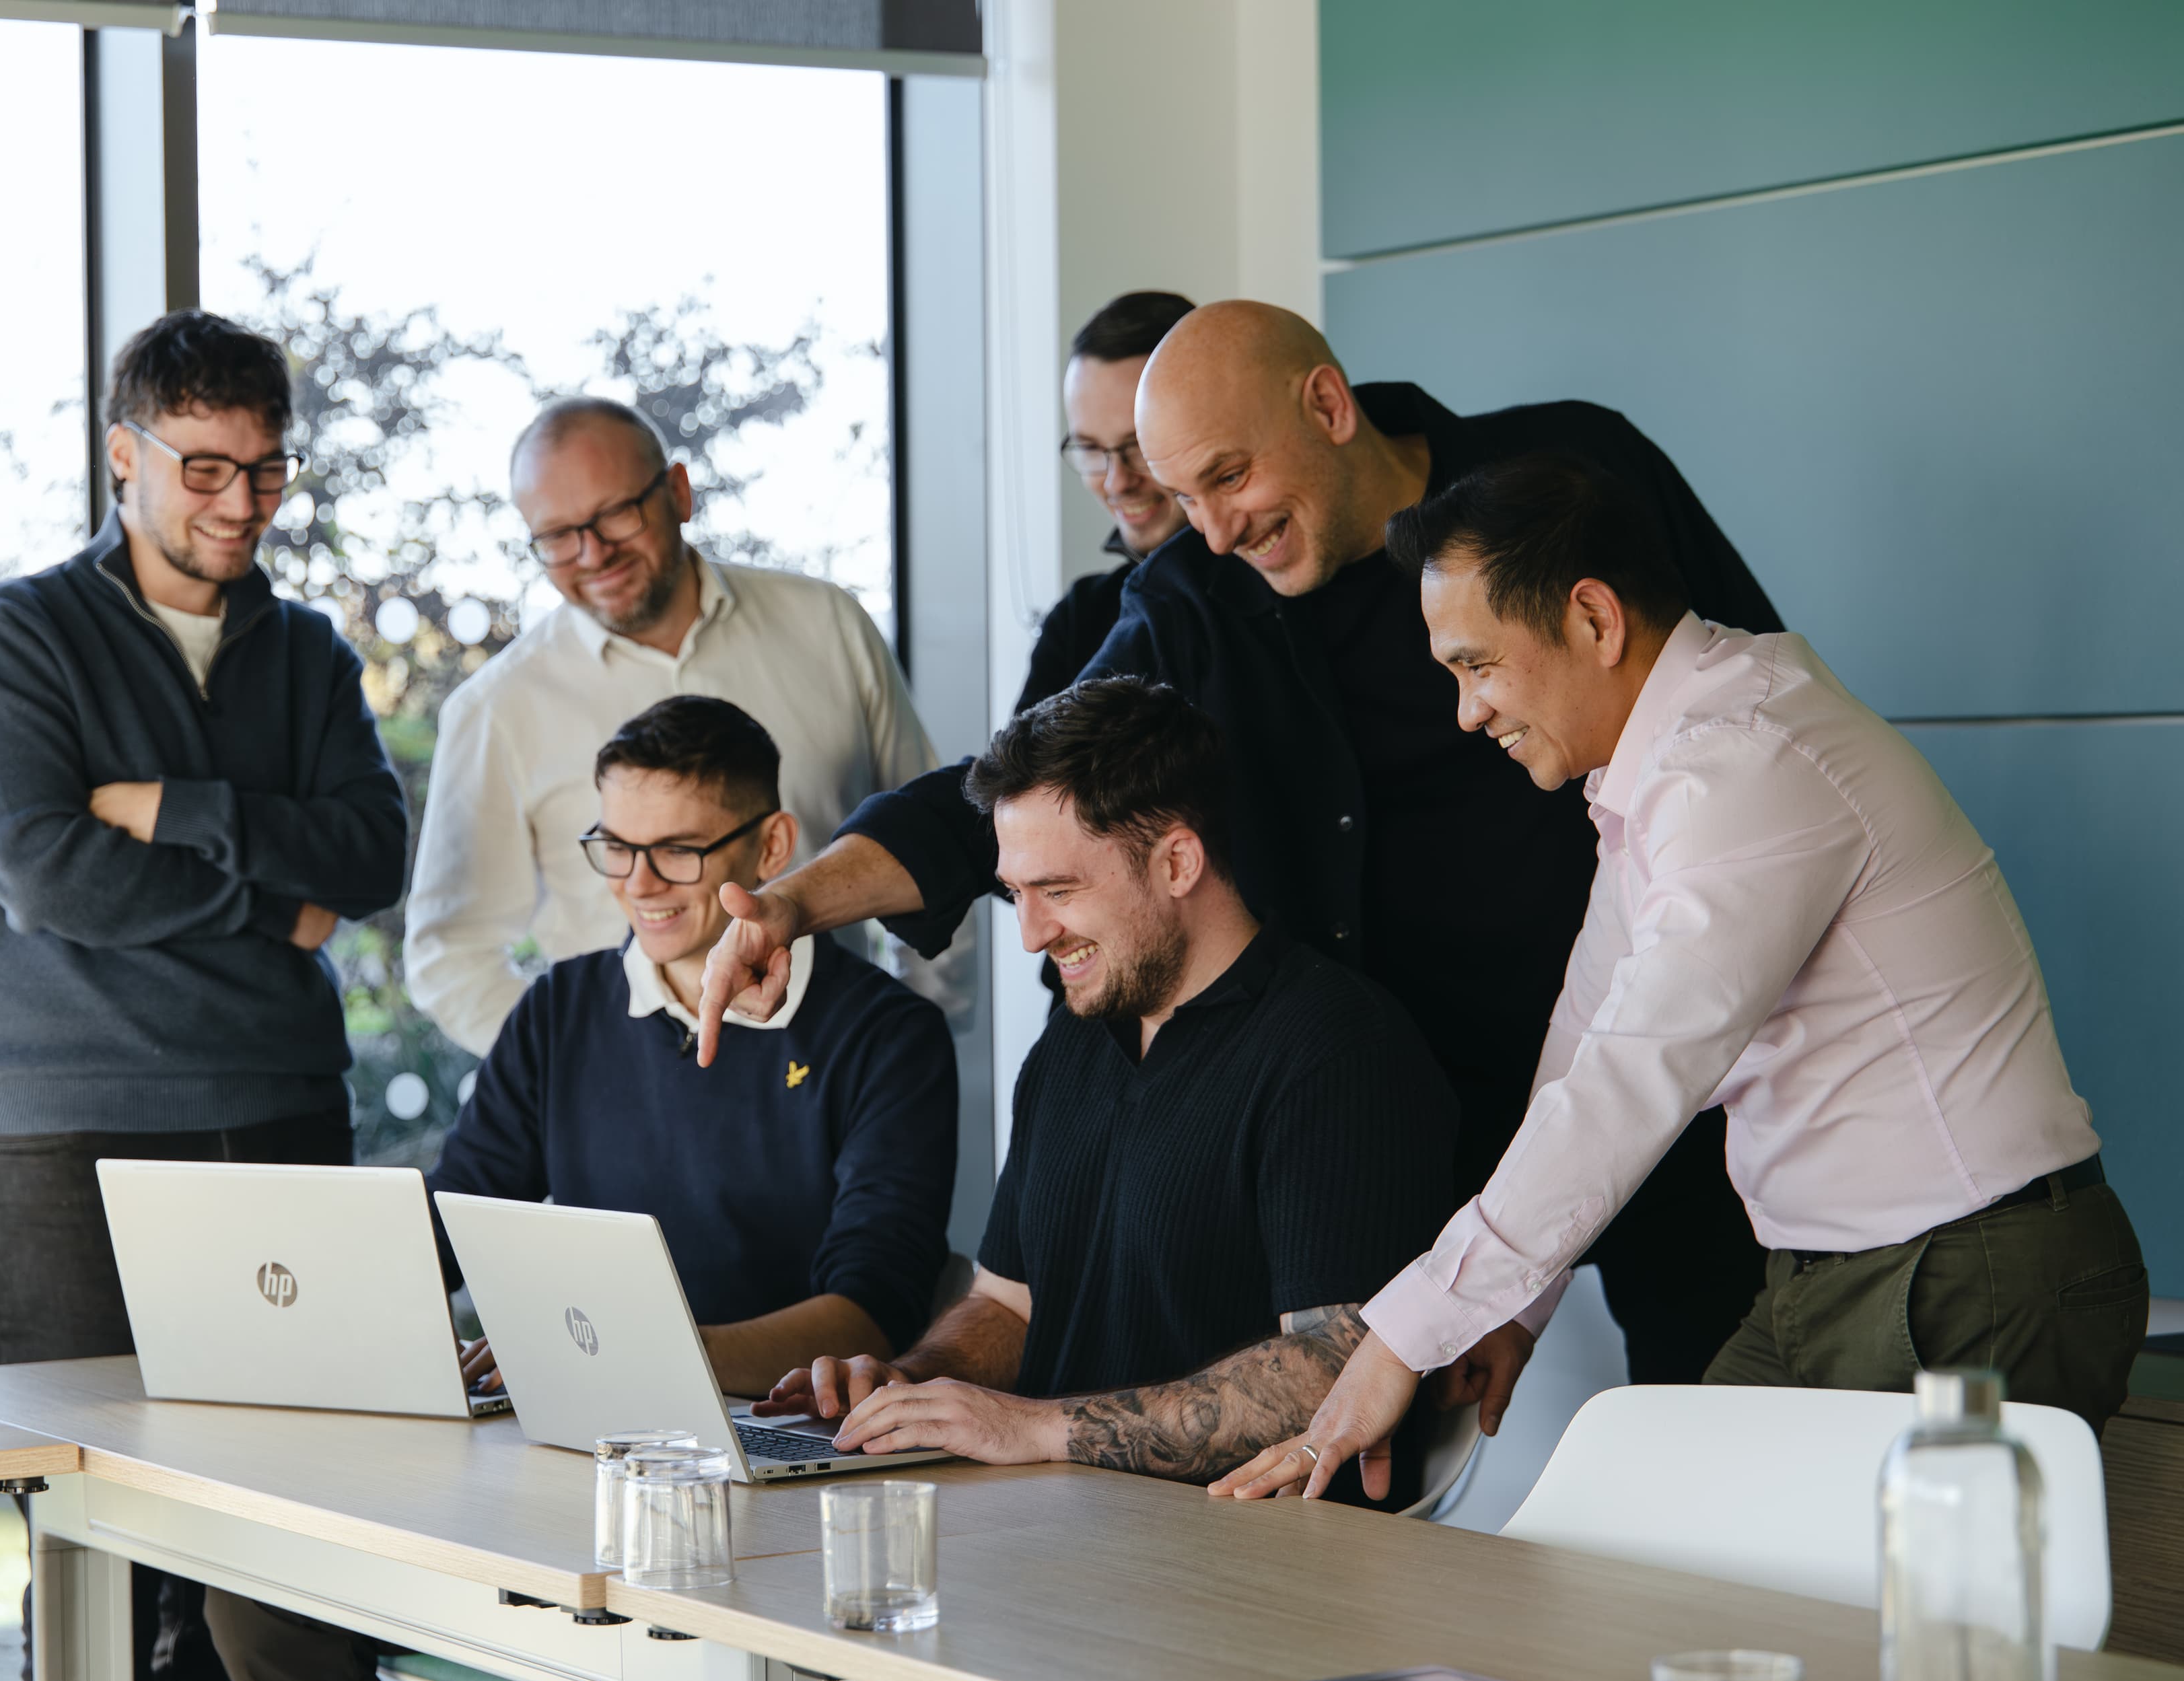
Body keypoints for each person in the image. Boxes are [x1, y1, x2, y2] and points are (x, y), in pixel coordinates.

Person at [699, 300, 1783, 1391]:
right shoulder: (1192, 598)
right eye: (1180, 498)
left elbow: (1749, 704)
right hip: (1393, 1125)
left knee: (1719, 1448)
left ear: (1326, 406)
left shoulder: (1574, 470)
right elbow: (1019, 790)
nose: (1213, 531)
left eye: (1229, 479)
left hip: (1662, 1066)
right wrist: (795, 904)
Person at [1211, 454, 2149, 1505]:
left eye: (1478, 666)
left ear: (1594, 620)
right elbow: (1585, 1041)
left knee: (1896, 1657)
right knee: (1669, 1574)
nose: (1467, 712)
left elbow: (1633, 1082)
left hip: (1967, 1276)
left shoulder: (1745, 762)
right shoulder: (1667, 765)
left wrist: (1401, 1338)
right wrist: (1508, 1311)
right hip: (1833, 1277)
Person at [207, 694, 958, 1681]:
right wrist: (287, 1303)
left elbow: (868, 1308)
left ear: (775, 844)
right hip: (575, 1455)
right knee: (259, 1600)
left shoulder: (887, 1038)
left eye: (679, 852)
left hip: (776, 1471)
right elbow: (450, 1228)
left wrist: (633, 1361)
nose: (639, 886)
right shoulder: (559, 1013)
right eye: (616, 846)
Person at [0, 308, 407, 1681]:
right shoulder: (17, 636)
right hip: (64, 1131)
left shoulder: (310, 654)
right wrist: (271, 903)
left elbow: (372, 858)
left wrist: (181, 813)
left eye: (267, 471)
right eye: (205, 467)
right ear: (122, 454)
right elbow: (46, 868)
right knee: (98, 1531)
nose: (240, 503)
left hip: (278, 1107)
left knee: (282, 1533)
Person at [754, 678, 1456, 1495]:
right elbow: (1009, 1307)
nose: (1030, 933)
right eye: (1016, 893)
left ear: (1178, 862)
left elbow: (1334, 1365)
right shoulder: (1074, 1039)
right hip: (1051, 1531)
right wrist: (913, 1388)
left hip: (1255, 1566)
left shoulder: (1339, 1049)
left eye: (1058, 890)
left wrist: (1037, 1430)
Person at [402, 397, 962, 1059]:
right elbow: (450, 953)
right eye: (557, 536)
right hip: (625, 1098)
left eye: (616, 514)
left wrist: (925, 1028)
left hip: (836, 1069)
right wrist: (576, 1076)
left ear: (679, 491)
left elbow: (934, 836)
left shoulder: (829, 625)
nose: (594, 554)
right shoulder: (496, 708)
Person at [1019, 289, 1197, 711]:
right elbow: (1017, 775)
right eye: (1091, 449)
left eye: (1140, 446)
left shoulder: (1286, 583)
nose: (1117, 483)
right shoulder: (1080, 617)